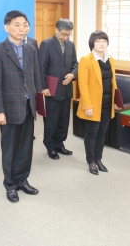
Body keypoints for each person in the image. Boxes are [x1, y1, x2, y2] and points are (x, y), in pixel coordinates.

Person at [0, 10, 42, 203]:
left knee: (26, 147)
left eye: (25, 24)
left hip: (28, 106)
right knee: (10, 148)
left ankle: (22, 179)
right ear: (7, 27)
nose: (22, 28)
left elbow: (35, 78)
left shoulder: (31, 49)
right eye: (17, 24)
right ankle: (10, 185)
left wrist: (37, 102)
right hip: (8, 109)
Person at [77, 31, 118, 175]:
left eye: (104, 41)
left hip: (107, 104)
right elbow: (82, 84)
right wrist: (87, 105)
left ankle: (99, 159)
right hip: (93, 105)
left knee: (102, 133)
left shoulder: (110, 59)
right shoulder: (86, 60)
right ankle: (91, 161)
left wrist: (116, 100)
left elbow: (113, 81)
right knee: (92, 133)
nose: (102, 44)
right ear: (92, 43)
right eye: (98, 41)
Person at [38, 18, 78, 159]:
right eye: (64, 34)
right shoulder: (47, 44)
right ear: (56, 30)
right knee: (51, 120)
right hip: (52, 88)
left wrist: (72, 75)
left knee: (64, 120)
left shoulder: (71, 45)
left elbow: (75, 64)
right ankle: (50, 146)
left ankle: (59, 144)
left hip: (66, 90)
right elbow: (40, 67)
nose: (66, 37)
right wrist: (43, 87)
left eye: (69, 34)